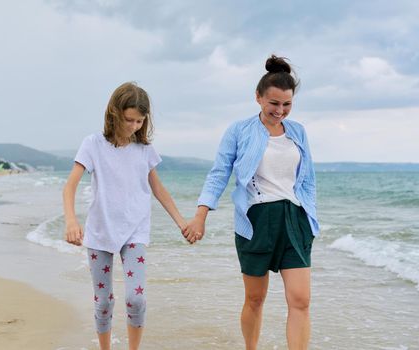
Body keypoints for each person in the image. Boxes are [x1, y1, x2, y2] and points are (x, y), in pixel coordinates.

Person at [184, 55, 320, 350]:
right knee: (255, 299)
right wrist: (200, 216)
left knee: (301, 300)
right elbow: (219, 173)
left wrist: (310, 220)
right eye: (274, 103)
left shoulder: (298, 132)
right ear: (258, 97)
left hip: (294, 220)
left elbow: (308, 180)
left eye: (287, 104)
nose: (280, 111)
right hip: (256, 221)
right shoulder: (239, 131)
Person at [63, 82, 195, 350]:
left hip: (135, 230)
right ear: (114, 113)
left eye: (139, 121)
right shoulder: (93, 145)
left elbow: (158, 189)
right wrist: (71, 221)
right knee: (103, 302)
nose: (134, 126)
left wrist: (182, 222)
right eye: (128, 120)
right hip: (100, 231)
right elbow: (70, 186)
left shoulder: (144, 150)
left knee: (137, 299)